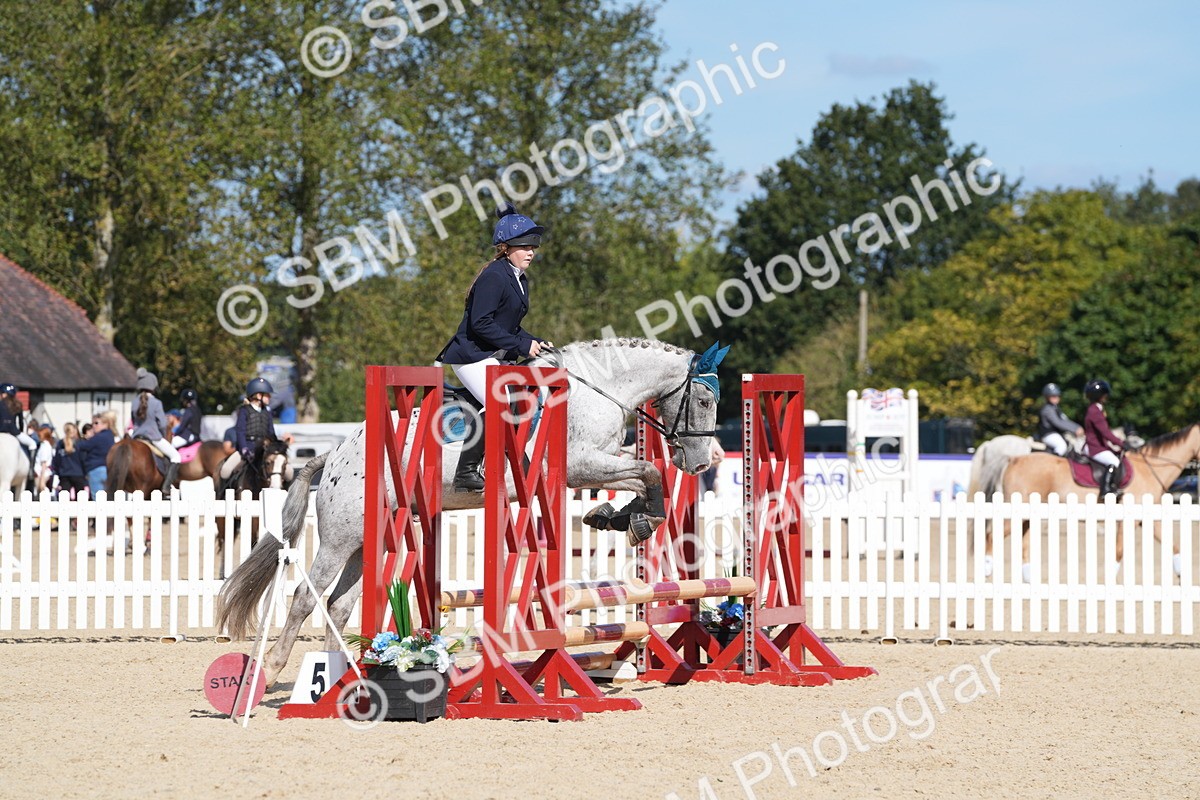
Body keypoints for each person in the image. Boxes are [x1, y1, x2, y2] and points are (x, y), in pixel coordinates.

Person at [436, 203, 553, 491]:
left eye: (533, 246)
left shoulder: (519, 279)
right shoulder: (494, 276)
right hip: (471, 356)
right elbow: (481, 324)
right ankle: (465, 472)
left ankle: (508, 455)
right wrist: (523, 345)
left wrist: (534, 340)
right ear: (506, 247)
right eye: (525, 246)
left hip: (490, 357)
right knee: (501, 402)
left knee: (524, 398)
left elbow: (510, 327)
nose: (531, 252)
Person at [218, 378, 279, 492]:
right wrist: (244, 448)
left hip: (264, 451)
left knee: (288, 472)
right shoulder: (244, 411)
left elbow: (271, 433)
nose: (269, 397)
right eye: (267, 395)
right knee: (225, 471)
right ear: (258, 395)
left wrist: (277, 448)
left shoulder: (267, 413)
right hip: (247, 448)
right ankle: (222, 496)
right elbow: (240, 431)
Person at [130, 368, 181, 491]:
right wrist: (162, 434)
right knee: (176, 457)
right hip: (153, 437)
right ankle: (166, 487)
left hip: (136, 437)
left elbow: (133, 420)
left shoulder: (134, 402)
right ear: (153, 386)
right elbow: (163, 424)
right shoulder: (156, 403)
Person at [1083, 379, 1125, 496]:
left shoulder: (1095, 409)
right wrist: (1122, 443)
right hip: (1094, 447)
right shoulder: (1095, 412)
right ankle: (1105, 490)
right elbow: (1106, 433)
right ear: (1100, 396)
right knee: (1114, 461)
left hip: (1097, 445)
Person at [76, 411, 116, 497]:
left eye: (96, 423)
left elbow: (83, 446)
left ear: (105, 423)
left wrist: (77, 440)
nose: (93, 426)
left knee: (98, 498)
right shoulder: (110, 435)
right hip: (107, 469)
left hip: (96, 469)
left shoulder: (99, 437)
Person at [1036, 383, 1083, 456]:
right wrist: (1075, 429)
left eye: (1057, 395)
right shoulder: (1047, 409)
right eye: (1053, 396)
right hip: (1048, 435)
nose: (1056, 397)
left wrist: (1077, 427)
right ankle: (1052, 464)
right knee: (1061, 446)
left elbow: (1065, 421)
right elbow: (1058, 422)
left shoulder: (1055, 408)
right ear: (1047, 397)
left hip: (1056, 434)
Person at [52, 422, 87, 499]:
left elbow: (56, 461)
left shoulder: (60, 444)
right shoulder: (80, 443)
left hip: (64, 474)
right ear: (74, 431)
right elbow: (83, 459)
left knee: (63, 498)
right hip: (78, 474)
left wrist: (58, 472)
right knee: (81, 498)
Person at [34, 425, 55, 494]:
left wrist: (42, 480)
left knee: (40, 493)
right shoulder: (46, 445)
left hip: (41, 473)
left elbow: (44, 463)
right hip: (41, 472)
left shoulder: (45, 446)